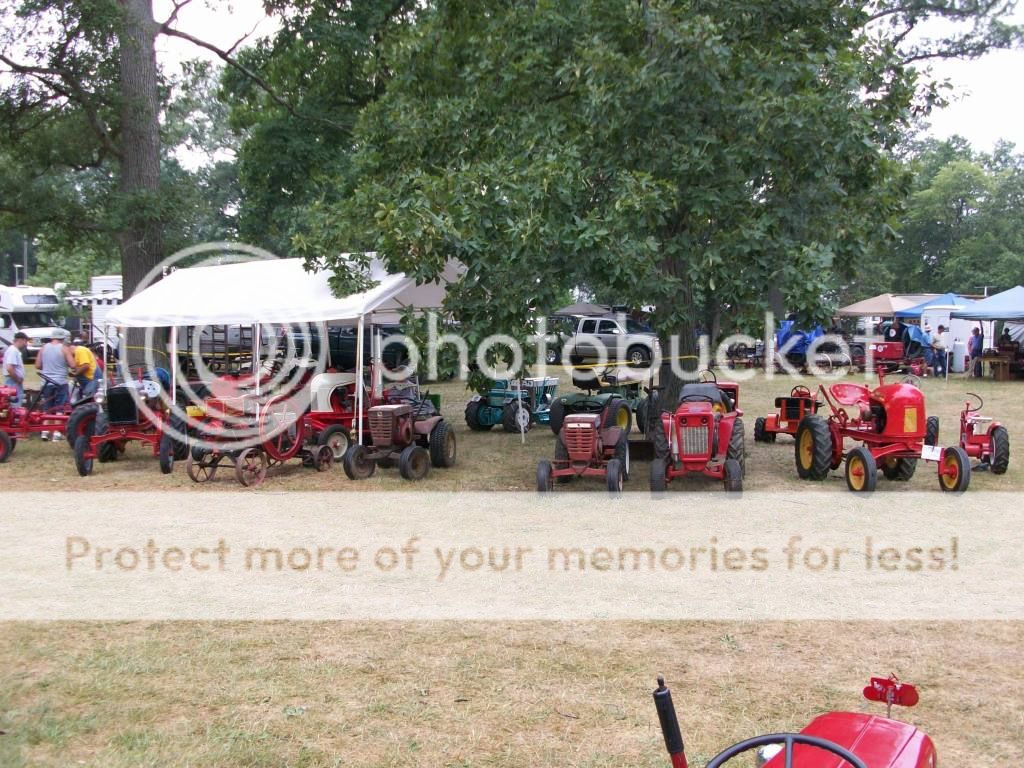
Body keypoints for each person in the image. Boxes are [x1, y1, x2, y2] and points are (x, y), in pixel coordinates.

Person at [37, 336, 73, 441]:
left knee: (47, 407)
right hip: (60, 382)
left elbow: (38, 365)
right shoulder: (64, 348)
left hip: (46, 383)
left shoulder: (43, 348)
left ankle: (44, 432)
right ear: (62, 338)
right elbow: (73, 364)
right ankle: (57, 433)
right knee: (60, 408)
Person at [3, 332, 29, 405]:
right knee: (15, 404)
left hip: (13, 380)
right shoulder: (13, 351)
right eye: (25, 342)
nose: (26, 344)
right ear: (21, 340)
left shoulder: (13, 350)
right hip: (13, 381)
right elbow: (9, 368)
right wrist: (17, 380)